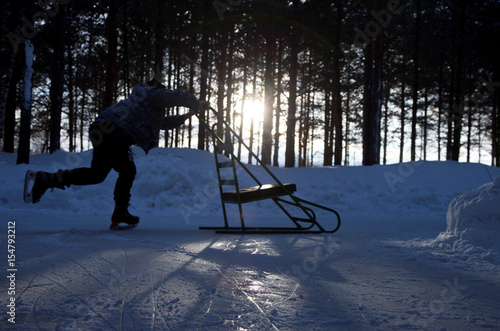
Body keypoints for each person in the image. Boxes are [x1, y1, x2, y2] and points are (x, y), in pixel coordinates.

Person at [30, 78, 208, 230]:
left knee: (97, 174)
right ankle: (121, 211)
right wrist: (194, 102)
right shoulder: (152, 94)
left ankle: (48, 179)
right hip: (114, 132)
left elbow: (166, 123)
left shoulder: (145, 108)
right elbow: (171, 96)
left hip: (104, 129)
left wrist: (190, 114)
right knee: (127, 170)